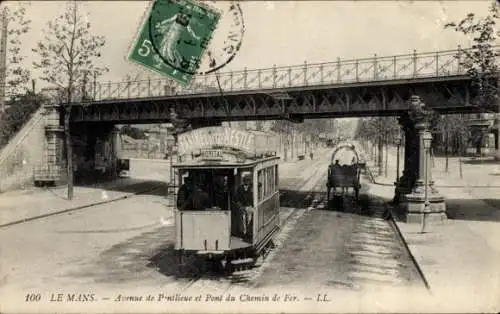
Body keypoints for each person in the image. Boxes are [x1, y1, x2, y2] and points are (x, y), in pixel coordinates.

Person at [235, 174, 253, 240]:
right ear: (243, 181)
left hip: (249, 206)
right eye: (245, 180)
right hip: (242, 207)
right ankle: (243, 233)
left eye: (248, 180)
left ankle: (249, 233)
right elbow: (236, 198)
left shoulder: (251, 188)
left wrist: (252, 205)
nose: (247, 182)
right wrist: (240, 206)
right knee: (243, 220)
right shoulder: (240, 188)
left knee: (249, 220)